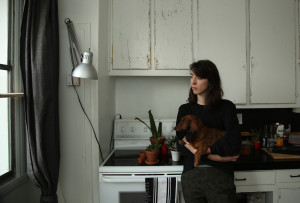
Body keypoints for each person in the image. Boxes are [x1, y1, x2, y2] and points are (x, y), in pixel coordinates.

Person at [176, 60, 241, 203]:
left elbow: (234, 141)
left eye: (199, 77)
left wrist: (205, 150)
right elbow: (181, 144)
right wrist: (214, 157)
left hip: (220, 176)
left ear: (211, 81)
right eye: (191, 76)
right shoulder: (185, 110)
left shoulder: (227, 107)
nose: (193, 82)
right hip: (192, 177)